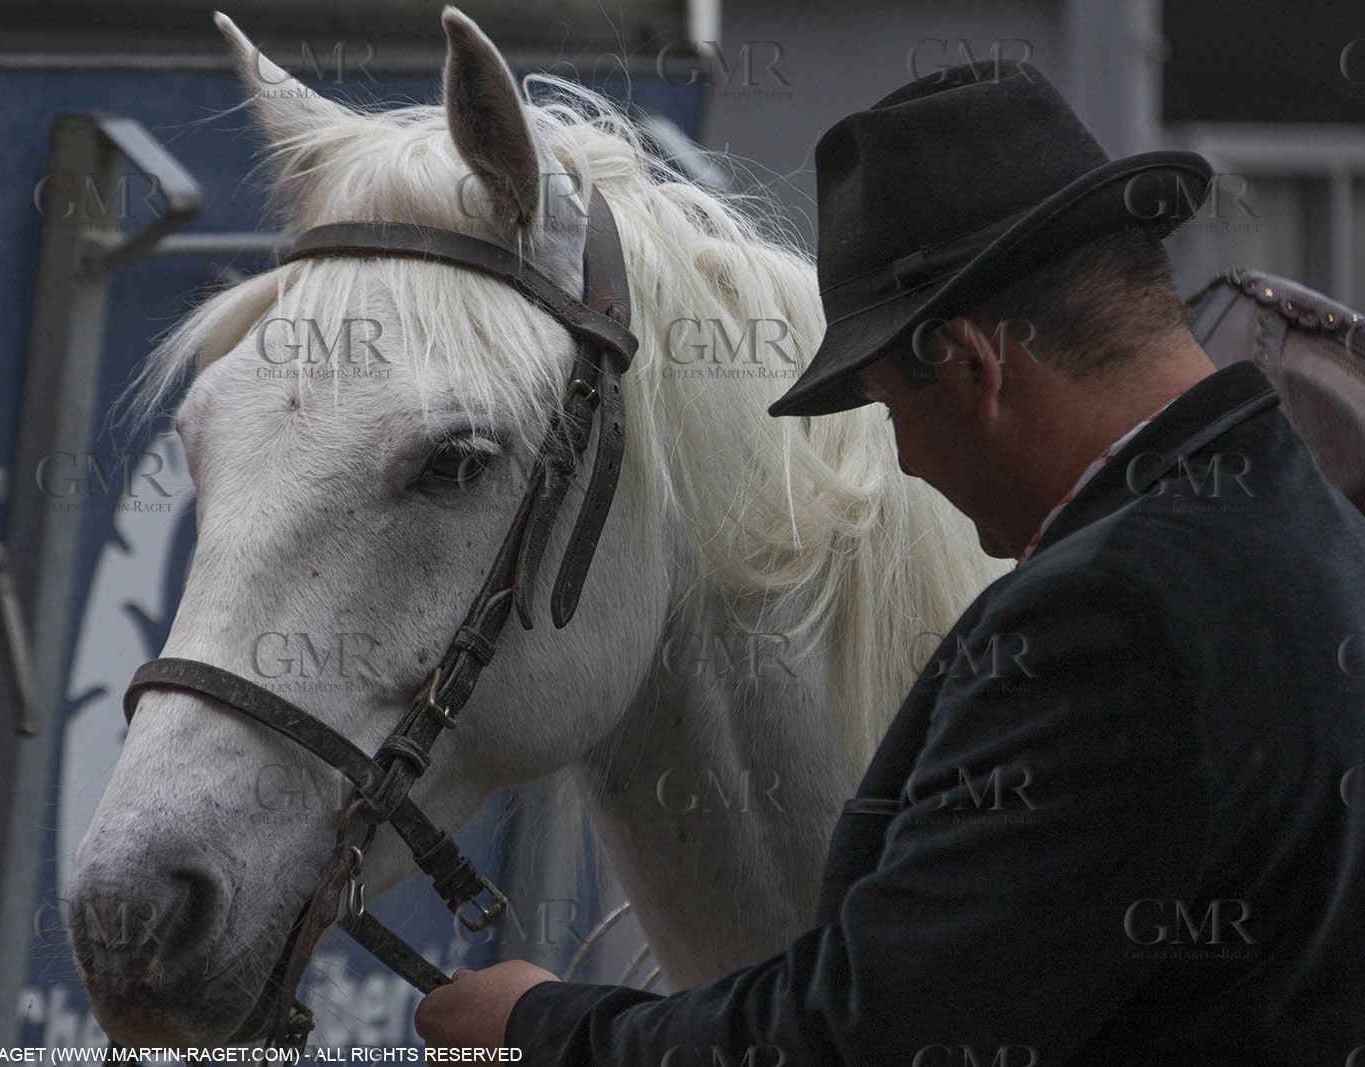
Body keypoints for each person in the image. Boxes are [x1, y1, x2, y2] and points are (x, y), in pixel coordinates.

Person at [414, 61, 1365, 1062]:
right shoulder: (1308, 525)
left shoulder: (1110, 614)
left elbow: (870, 1038)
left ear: (969, 363)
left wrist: (544, 1027)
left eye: (888, 405)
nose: (904, 458)